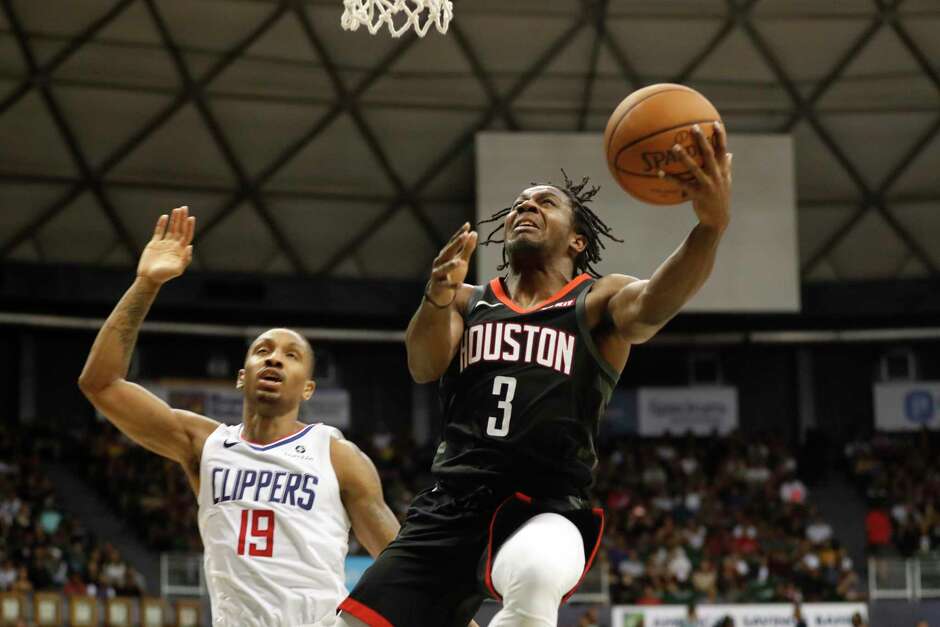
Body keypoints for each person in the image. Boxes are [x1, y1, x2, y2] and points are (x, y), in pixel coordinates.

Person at [339, 122, 732, 627]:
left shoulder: (597, 300)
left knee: (536, 581)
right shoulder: (466, 300)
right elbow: (422, 365)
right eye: (520, 204)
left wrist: (710, 227)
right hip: (448, 509)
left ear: (577, 240)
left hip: (543, 508)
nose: (526, 206)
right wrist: (435, 296)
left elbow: (656, 303)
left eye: (545, 202)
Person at [78, 207, 402, 626]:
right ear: (241, 377)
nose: (274, 360)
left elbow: (403, 565)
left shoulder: (337, 456)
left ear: (308, 387)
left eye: (291, 355)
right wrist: (147, 283)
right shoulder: (205, 444)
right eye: (263, 351)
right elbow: (100, 384)